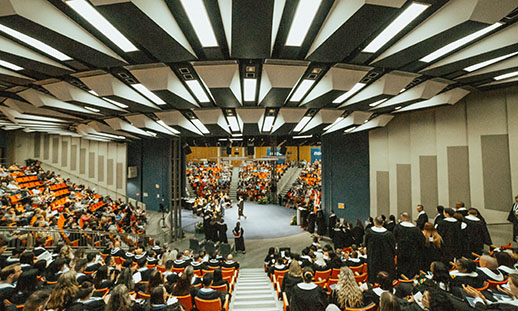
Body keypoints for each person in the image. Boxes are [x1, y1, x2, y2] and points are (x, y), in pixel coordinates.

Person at [393, 213, 425, 279]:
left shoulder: (398, 227)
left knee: (402, 271)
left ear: (403, 218)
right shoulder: (416, 229)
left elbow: (393, 239)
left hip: (401, 253)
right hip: (413, 254)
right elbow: (422, 241)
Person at [365, 216, 396, 283]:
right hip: (387, 261)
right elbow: (393, 247)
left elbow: (366, 244)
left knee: (374, 279)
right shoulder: (389, 234)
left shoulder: (369, 232)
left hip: (373, 260)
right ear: (383, 223)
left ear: (374, 222)